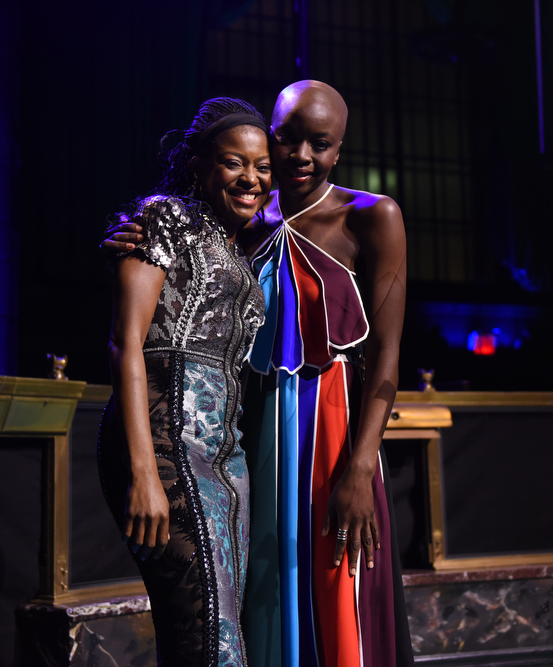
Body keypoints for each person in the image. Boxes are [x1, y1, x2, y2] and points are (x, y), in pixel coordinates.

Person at [104, 81, 413, 667]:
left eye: (319, 144)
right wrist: (134, 237)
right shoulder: (244, 216)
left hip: (332, 437)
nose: (300, 155)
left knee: (333, 588)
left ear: (339, 149)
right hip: (246, 438)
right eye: (288, 138)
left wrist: (362, 468)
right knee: (253, 598)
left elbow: (387, 361)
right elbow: (167, 278)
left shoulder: (373, 216)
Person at [97, 97, 271, 667]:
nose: (252, 177)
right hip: (165, 446)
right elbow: (128, 344)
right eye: (234, 162)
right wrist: (145, 475)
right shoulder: (167, 218)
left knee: (217, 631)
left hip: (226, 462)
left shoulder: (236, 247)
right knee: (205, 636)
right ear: (198, 165)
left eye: (262, 166)